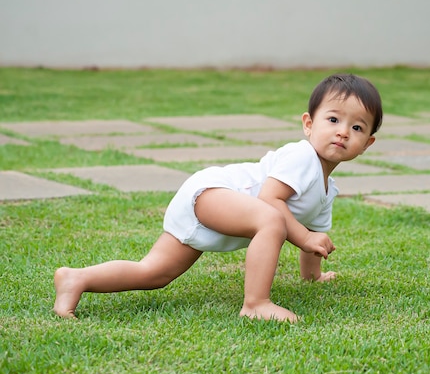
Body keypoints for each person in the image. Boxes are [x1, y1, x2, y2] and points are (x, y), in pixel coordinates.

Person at [53, 73, 383, 322]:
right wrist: (306, 236)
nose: (343, 131)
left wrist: (312, 273)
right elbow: (271, 200)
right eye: (333, 119)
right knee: (271, 219)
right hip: (215, 194)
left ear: (367, 143)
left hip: (214, 210)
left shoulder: (328, 188)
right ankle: (255, 303)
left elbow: (310, 228)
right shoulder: (302, 158)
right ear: (309, 124)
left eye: (357, 128)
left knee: (155, 272)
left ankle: (76, 278)